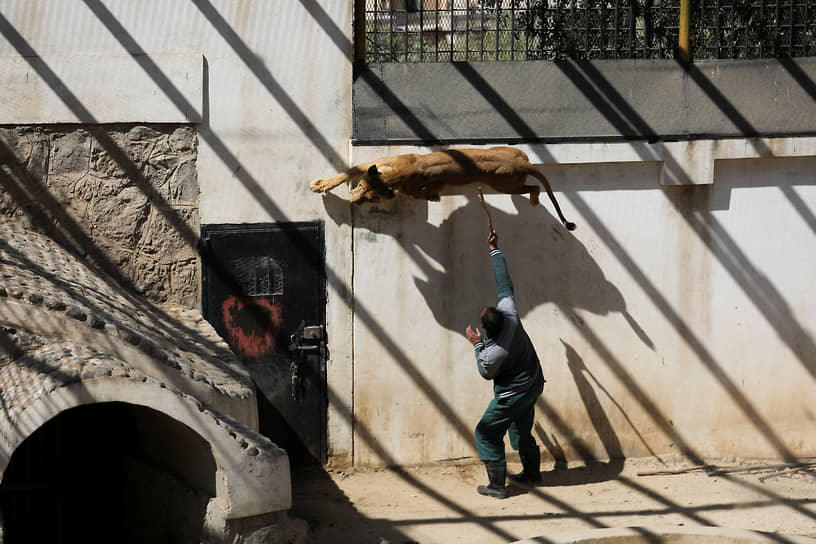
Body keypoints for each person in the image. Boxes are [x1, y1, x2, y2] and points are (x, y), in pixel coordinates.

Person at [465, 230, 546, 499]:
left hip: (513, 393)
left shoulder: (493, 352)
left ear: (487, 331)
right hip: (534, 384)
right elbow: (504, 283)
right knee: (520, 428)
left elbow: (485, 372)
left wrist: (476, 344)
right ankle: (533, 473)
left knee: (486, 433)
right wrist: (494, 249)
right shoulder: (510, 313)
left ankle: (497, 486)